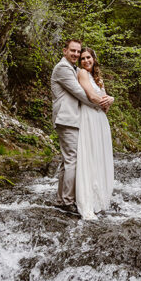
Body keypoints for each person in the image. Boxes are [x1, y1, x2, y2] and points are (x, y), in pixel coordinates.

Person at [51, 39, 113, 214]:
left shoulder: (73, 69)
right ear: (65, 51)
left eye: (78, 52)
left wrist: (108, 99)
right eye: (73, 51)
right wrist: (101, 103)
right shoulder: (63, 68)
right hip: (67, 118)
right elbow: (80, 93)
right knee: (72, 159)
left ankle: (62, 199)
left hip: (73, 118)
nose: (76, 55)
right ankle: (68, 201)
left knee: (67, 160)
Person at [74, 46, 115, 219]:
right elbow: (91, 97)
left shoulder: (98, 78)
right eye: (82, 58)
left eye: (88, 57)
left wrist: (109, 100)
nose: (86, 61)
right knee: (89, 155)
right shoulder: (82, 73)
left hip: (100, 119)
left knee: (100, 156)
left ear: (94, 58)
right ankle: (87, 200)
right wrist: (110, 100)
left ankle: (100, 199)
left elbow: (105, 106)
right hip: (89, 116)